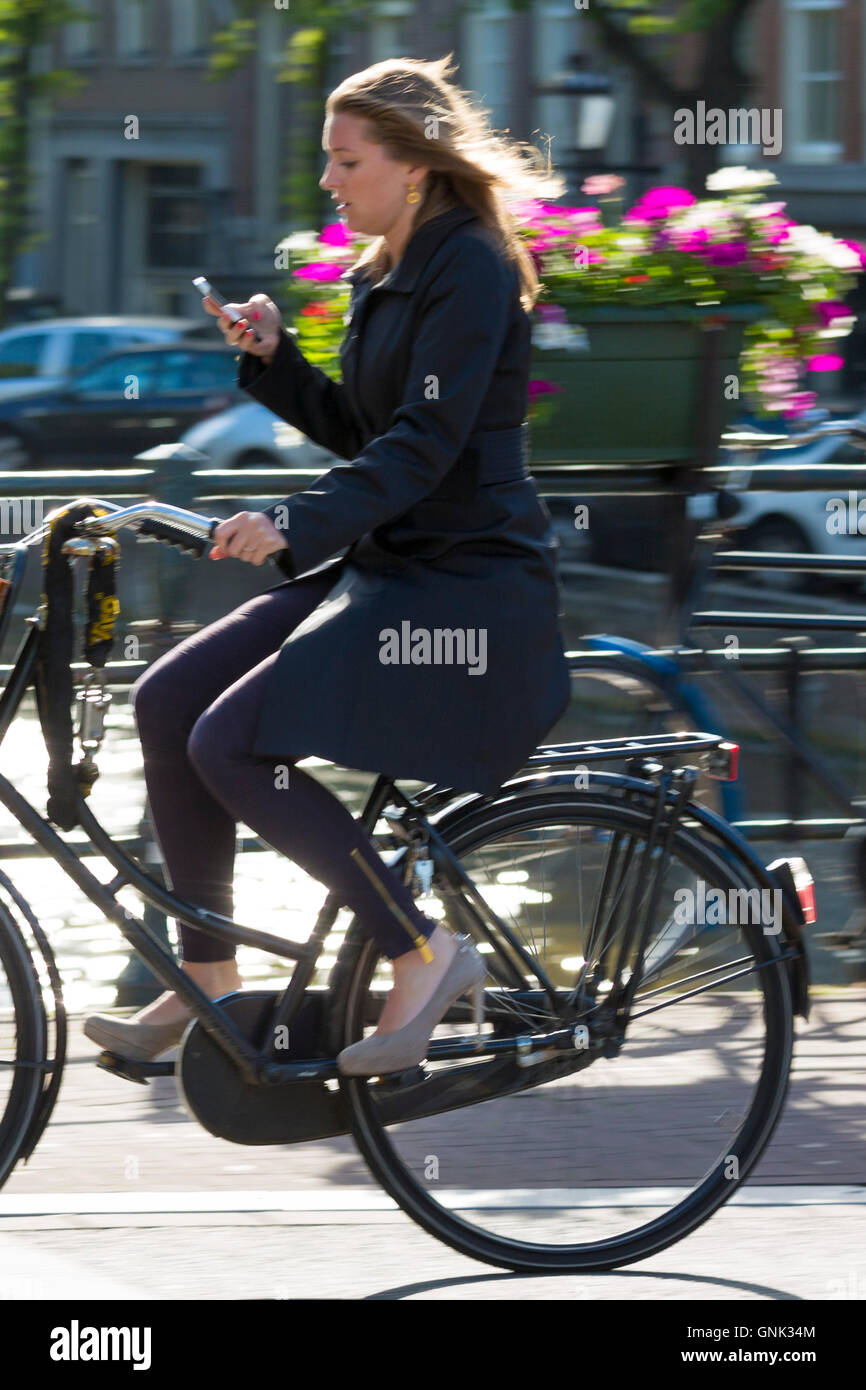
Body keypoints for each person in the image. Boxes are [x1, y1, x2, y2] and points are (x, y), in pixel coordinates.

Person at [84, 53, 572, 1077]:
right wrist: (277, 364)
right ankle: (210, 985)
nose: (328, 182)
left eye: (345, 161)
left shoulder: (470, 266)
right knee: (169, 701)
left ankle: (424, 949)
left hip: (465, 582)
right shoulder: (390, 270)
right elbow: (369, 430)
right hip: (393, 561)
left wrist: (292, 523)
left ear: (414, 162)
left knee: (231, 742)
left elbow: (426, 445)